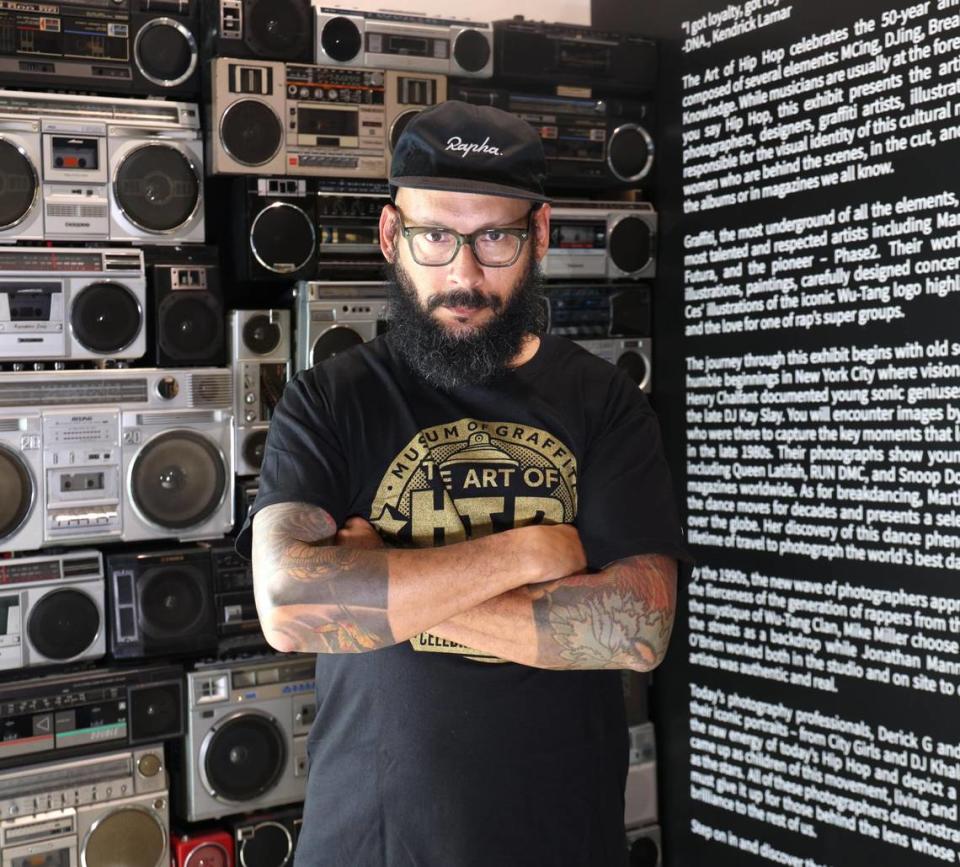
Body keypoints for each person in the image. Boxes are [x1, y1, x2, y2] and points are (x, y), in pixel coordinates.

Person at [236, 100, 689, 867]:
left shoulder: (604, 401)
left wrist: (381, 586)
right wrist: (533, 552)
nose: (465, 273)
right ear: (391, 236)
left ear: (539, 235)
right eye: (435, 236)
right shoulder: (331, 400)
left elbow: (639, 629)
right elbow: (291, 607)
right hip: (367, 847)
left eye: (497, 238)